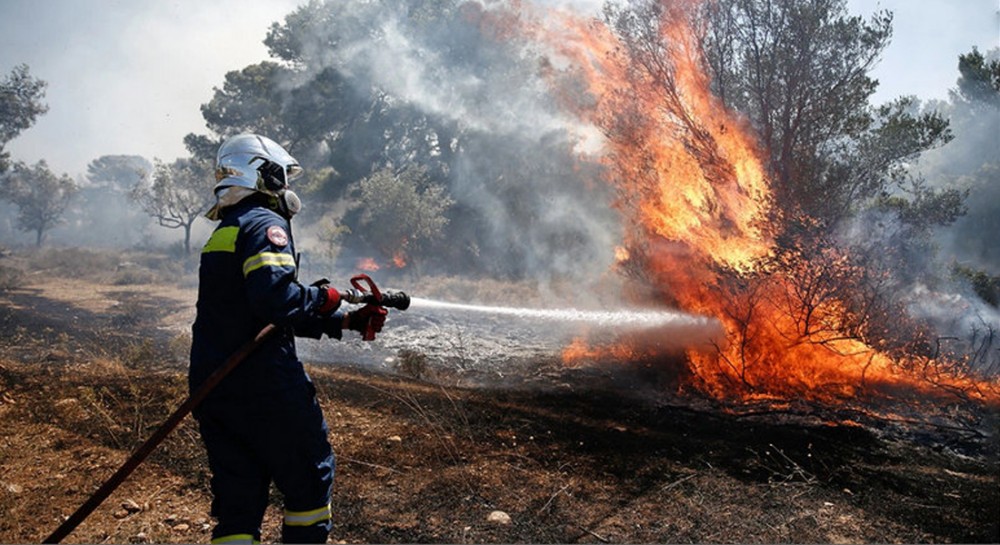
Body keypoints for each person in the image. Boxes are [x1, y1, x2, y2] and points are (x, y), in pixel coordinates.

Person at [189, 134, 386, 544]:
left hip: (216, 388)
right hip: (264, 386)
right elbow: (276, 301)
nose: (287, 188)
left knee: (238, 502)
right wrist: (325, 296)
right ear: (266, 174)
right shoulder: (265, 224)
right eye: (282, 176)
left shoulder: (226, 230)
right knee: (309, 483)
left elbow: (257, 315)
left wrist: (344, 322)